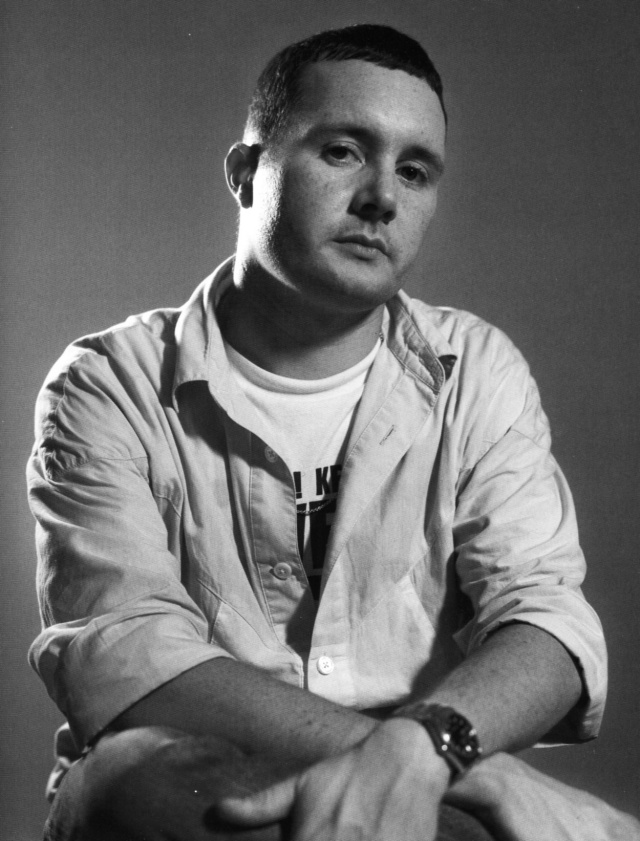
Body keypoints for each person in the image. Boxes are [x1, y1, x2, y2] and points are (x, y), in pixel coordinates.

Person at [28, 24, 609, 841]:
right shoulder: (108, 383)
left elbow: (546, 617)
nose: (382, 197)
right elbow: (132, 660)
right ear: (245, 173)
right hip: (201, 788)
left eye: (415, 171)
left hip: (424, 800)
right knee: (136, 779)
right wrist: (448, 756)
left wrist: (417, 756)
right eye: (343, 151)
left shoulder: (477, 370)